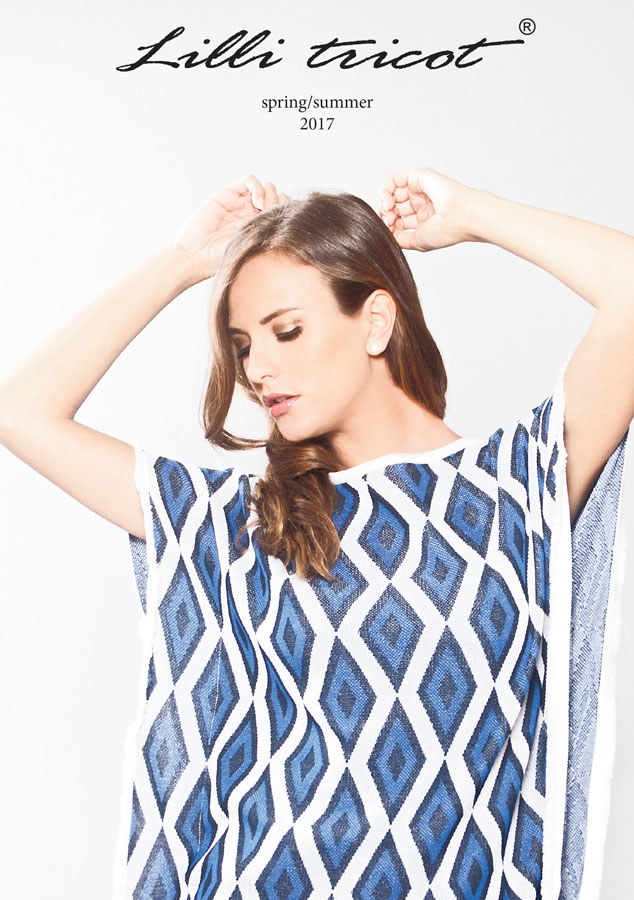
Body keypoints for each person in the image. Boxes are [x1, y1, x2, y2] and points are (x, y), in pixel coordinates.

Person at [0, 168, 632, 900]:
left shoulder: (513, 487)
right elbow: (22, 413)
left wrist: (474, 213)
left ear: (376, 322)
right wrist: (180, 264)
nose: (258, 369)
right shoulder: (248, 519)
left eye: (287, 331)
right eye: (242, 344)